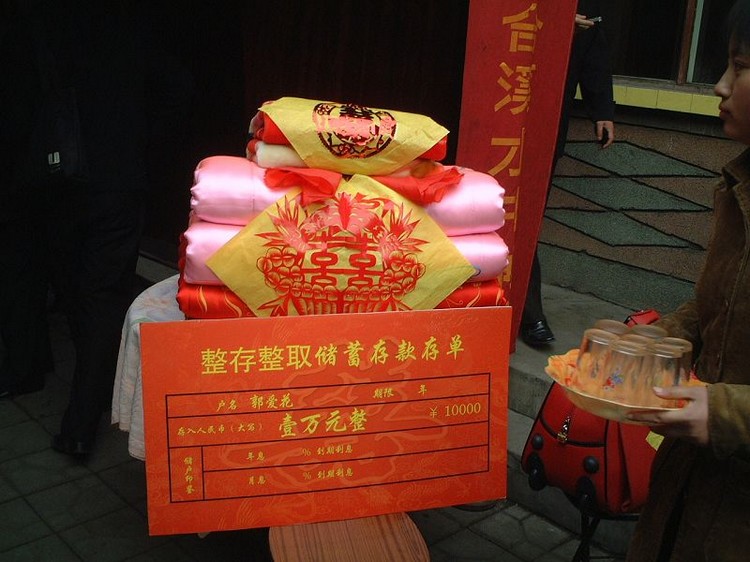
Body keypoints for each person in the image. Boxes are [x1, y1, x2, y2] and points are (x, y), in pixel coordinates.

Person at [0, 1, 193, 457]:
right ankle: (82, 422)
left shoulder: (38, 19)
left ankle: (71, 390)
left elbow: (18, 106)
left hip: (56, 182)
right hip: (119, 178)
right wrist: (139, 137)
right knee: (102, 295)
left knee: (75, 291)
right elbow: (178, 87)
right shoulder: (128, 20)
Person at [625, 2, 750, 559]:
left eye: (739, 67)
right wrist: (658, 340)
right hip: (689, 492)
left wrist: (718, 414)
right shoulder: (739, 185)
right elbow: (719, 306)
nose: (719, 86)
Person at [520, 0, 615, 347]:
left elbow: (593, 53)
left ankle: (527, 312)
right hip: (492, 110)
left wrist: (602, 110)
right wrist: (551, 23)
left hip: (545, 126)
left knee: (526, 217)